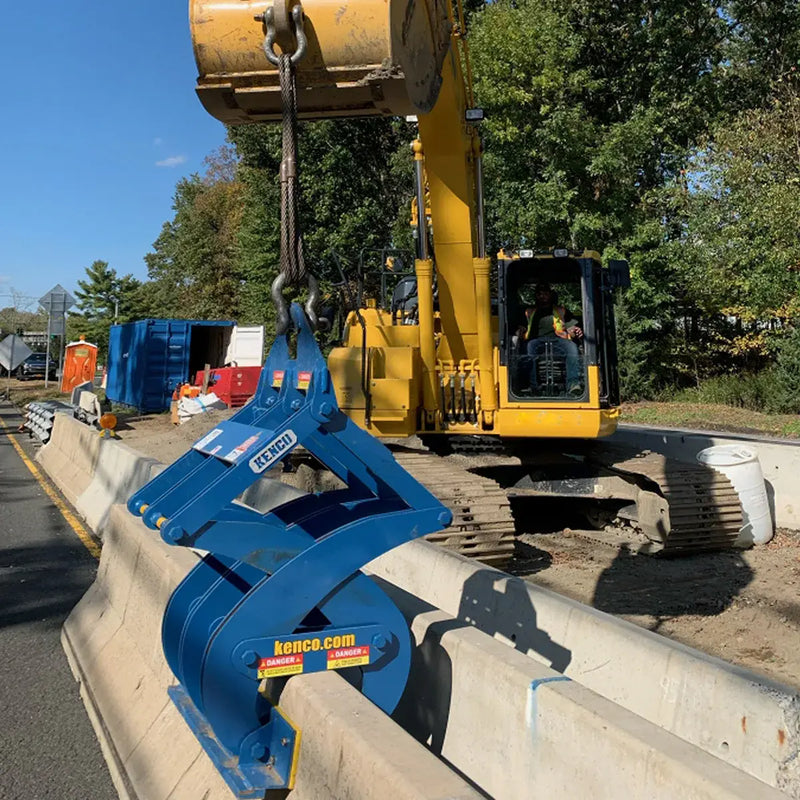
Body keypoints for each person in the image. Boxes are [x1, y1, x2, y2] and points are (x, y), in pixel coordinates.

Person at [524, 283, 584, 395]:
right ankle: (532, 386)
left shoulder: (561, 310)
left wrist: (574, 329)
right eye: (539, 294)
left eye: (545, 293)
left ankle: (573, 385)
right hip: (537, 341)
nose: (543, 296)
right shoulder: (528, 311)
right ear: (536, 296)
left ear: (550, 295)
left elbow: (572, 325)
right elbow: (520, 326)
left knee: (572, 348)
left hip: (558, 341)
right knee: (529, 347)